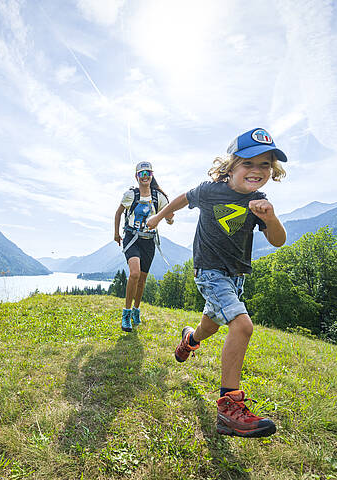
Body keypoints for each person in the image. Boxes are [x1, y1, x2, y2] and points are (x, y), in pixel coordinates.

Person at [146, 128, 287, 437]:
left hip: (236, 276)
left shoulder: (260, 202)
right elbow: (184, 198)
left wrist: (272, 219)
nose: (257, 171)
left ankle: (189, 341)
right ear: (231, 166)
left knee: (210, 324)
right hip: (210, 272)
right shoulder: (211, 191)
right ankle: (228, 407)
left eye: (265, 165)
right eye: (249, 163)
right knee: (242, 325)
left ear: (272, 171)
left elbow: (277, 241)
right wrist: (158, 217)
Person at [113, 161, 173, 332]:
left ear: (152, 176)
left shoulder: (159, 197)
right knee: (134, 274)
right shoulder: (130, 195)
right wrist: (116, 234)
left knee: (142, 280)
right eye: (142, 173)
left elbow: (169, 218)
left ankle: (136, 310)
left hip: (149, 241)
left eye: (148, 173)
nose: (145, 176)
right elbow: (118, 213)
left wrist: (169, 218)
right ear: (137, 176)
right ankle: (126, 314)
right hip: (132, 238)